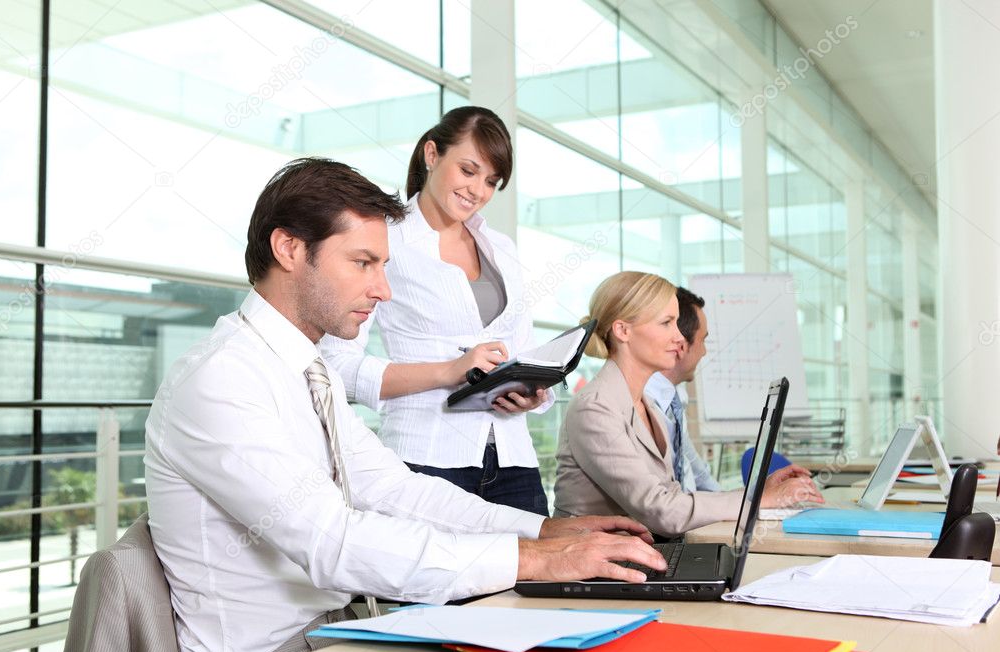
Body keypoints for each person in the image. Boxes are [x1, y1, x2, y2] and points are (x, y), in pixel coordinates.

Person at [144, 158, 665, 652]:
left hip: (331, 635)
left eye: (384, 265)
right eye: (362, 263)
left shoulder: (306, 370)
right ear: (289, 249)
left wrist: (542, 533)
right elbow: (332, 542)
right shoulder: (222, 378)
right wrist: (532, 560)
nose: (383, 290)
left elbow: (393, 489)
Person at [321, 107, 550, 515]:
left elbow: (523, 348)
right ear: (432, 155)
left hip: (515, 461)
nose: (478, 190)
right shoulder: (386, 239)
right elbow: (334, 364)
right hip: (426, 458)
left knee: (539, 577)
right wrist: (448, 371)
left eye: (491, 181)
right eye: (468, 170)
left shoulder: (503, 249)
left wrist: (532, 394)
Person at [552, 271, 823, 538]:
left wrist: (754, 494)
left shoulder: (648, 406)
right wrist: (759, 500)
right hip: (593, 566)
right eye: (666, 323)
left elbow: (673, 498)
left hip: (639, 554)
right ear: (623, 330)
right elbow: (663, 511)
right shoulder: (595, 408)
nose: (680, 338)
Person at [643, 287, 721, 492]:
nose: (704, 352)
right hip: (672, 518)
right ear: (681, 345)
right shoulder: (641, 404)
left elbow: (698, 473)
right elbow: (658, 501)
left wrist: (745, 503)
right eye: (703, 340)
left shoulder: (675, 398)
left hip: (690, 515)